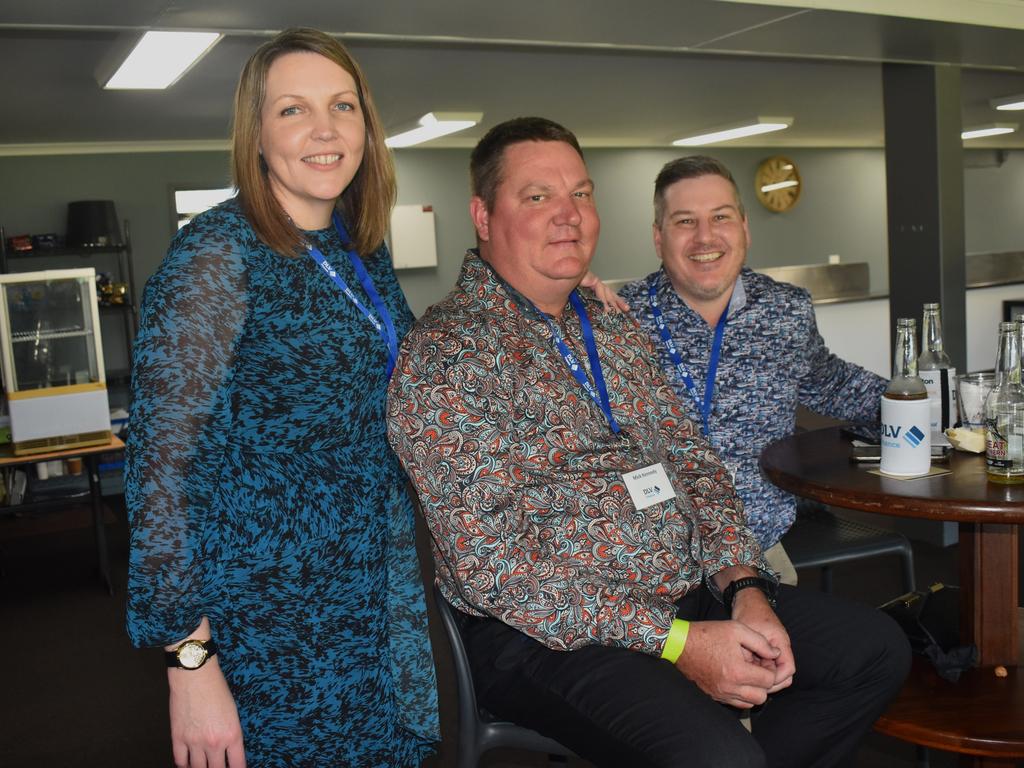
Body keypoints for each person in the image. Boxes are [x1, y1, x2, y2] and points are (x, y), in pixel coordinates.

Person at [387, 117, 910, 767]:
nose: (568, 216)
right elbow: (496, 571)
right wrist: (679, 643)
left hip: (684, 590)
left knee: (873, 650)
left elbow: (693, 461)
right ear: (483, 216)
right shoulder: (448, 356)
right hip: (551, 635)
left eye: (581, 194)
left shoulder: (610, 326)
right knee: (721, 760)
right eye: (537, 197)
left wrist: (745, 585)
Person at [125, 28, 439, 767]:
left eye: (343, 106)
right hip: (272, 622)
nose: (326, 130)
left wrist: (549, 294)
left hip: (372, 597)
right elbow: (160, 476)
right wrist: (190, 666)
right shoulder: (216, 255)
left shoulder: (360, 251)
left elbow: (423, 368)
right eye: (293, 110)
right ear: (256, 134)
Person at [620, 156, 887, 579]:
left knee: (835, 643)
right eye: (685, 221)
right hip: (649, 559)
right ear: (658, 238)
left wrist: (921, 402)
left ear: (744, 227)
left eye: (720, 217)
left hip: (756, 550)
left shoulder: (785, 311)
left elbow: (831, 382)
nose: (705, 237)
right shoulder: (614, 319)